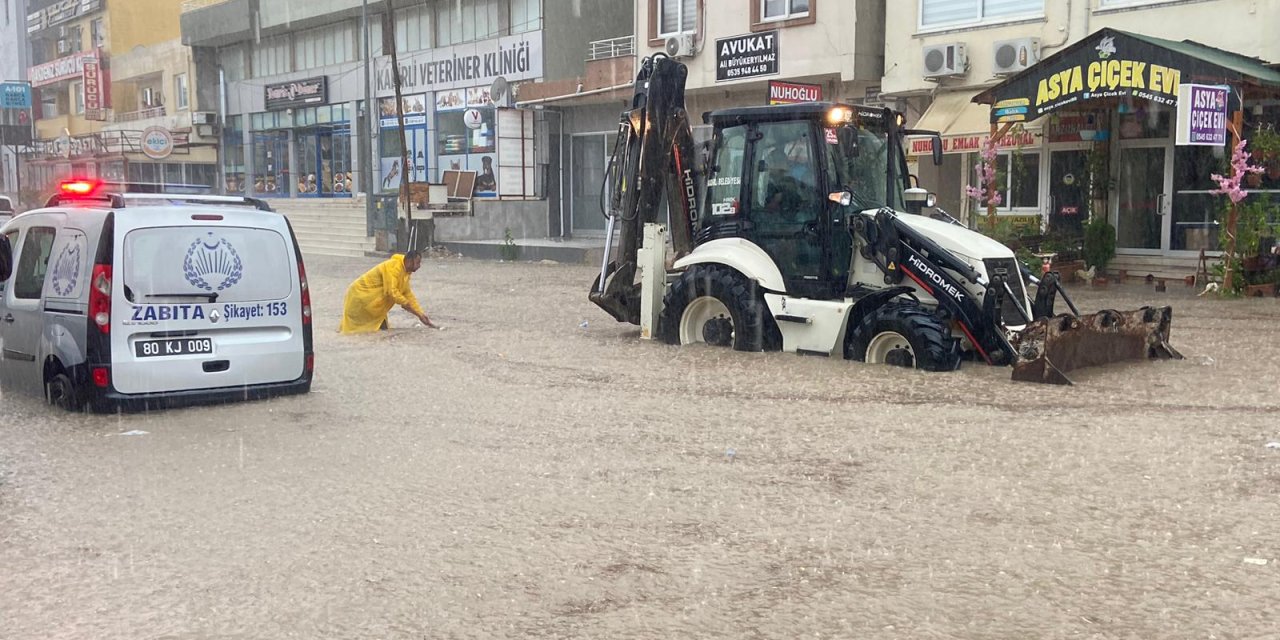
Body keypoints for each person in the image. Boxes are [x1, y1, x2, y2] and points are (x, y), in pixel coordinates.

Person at [339, 250, 438, 334]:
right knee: (358, 331)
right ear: (409, 261)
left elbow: (407, 294)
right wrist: (407, 304)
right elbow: (391, 292)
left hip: (372, 303)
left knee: (379, 331)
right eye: (417, 263)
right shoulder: (393, 267)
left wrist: (421, 314)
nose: (419, 266)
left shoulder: (405, 273)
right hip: (360, 296)